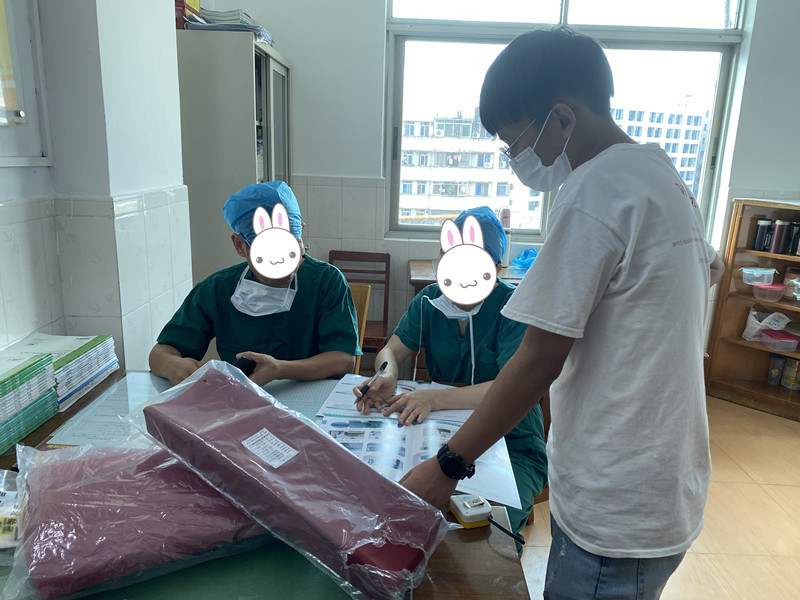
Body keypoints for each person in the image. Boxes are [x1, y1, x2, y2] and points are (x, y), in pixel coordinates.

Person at [399, 28, 724, 599]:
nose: (516, 159)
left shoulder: (594, 188)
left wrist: (447, 465)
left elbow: (537, 361)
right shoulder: (661, 173)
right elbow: (711, 265)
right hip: (663, 482)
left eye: (515, 141)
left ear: (563, 118)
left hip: (615, 498)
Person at [353, 206, 547, 539]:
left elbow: (513, 388)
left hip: (511, 442)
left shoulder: (515, 308)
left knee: (485, 538)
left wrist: (434, 398)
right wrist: (386, 374)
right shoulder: (429, 301)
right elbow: (392, 350)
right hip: (438, 436)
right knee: (396, 513)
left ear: (496, 268)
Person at [149, 181, 360, 386]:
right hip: (239, 399)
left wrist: (280, 369)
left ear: (300, 233)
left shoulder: (326, 281)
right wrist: (173, 365)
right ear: (239, 245)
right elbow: (160, 353)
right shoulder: (217, 289)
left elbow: (343, 360)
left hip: (309, 396)